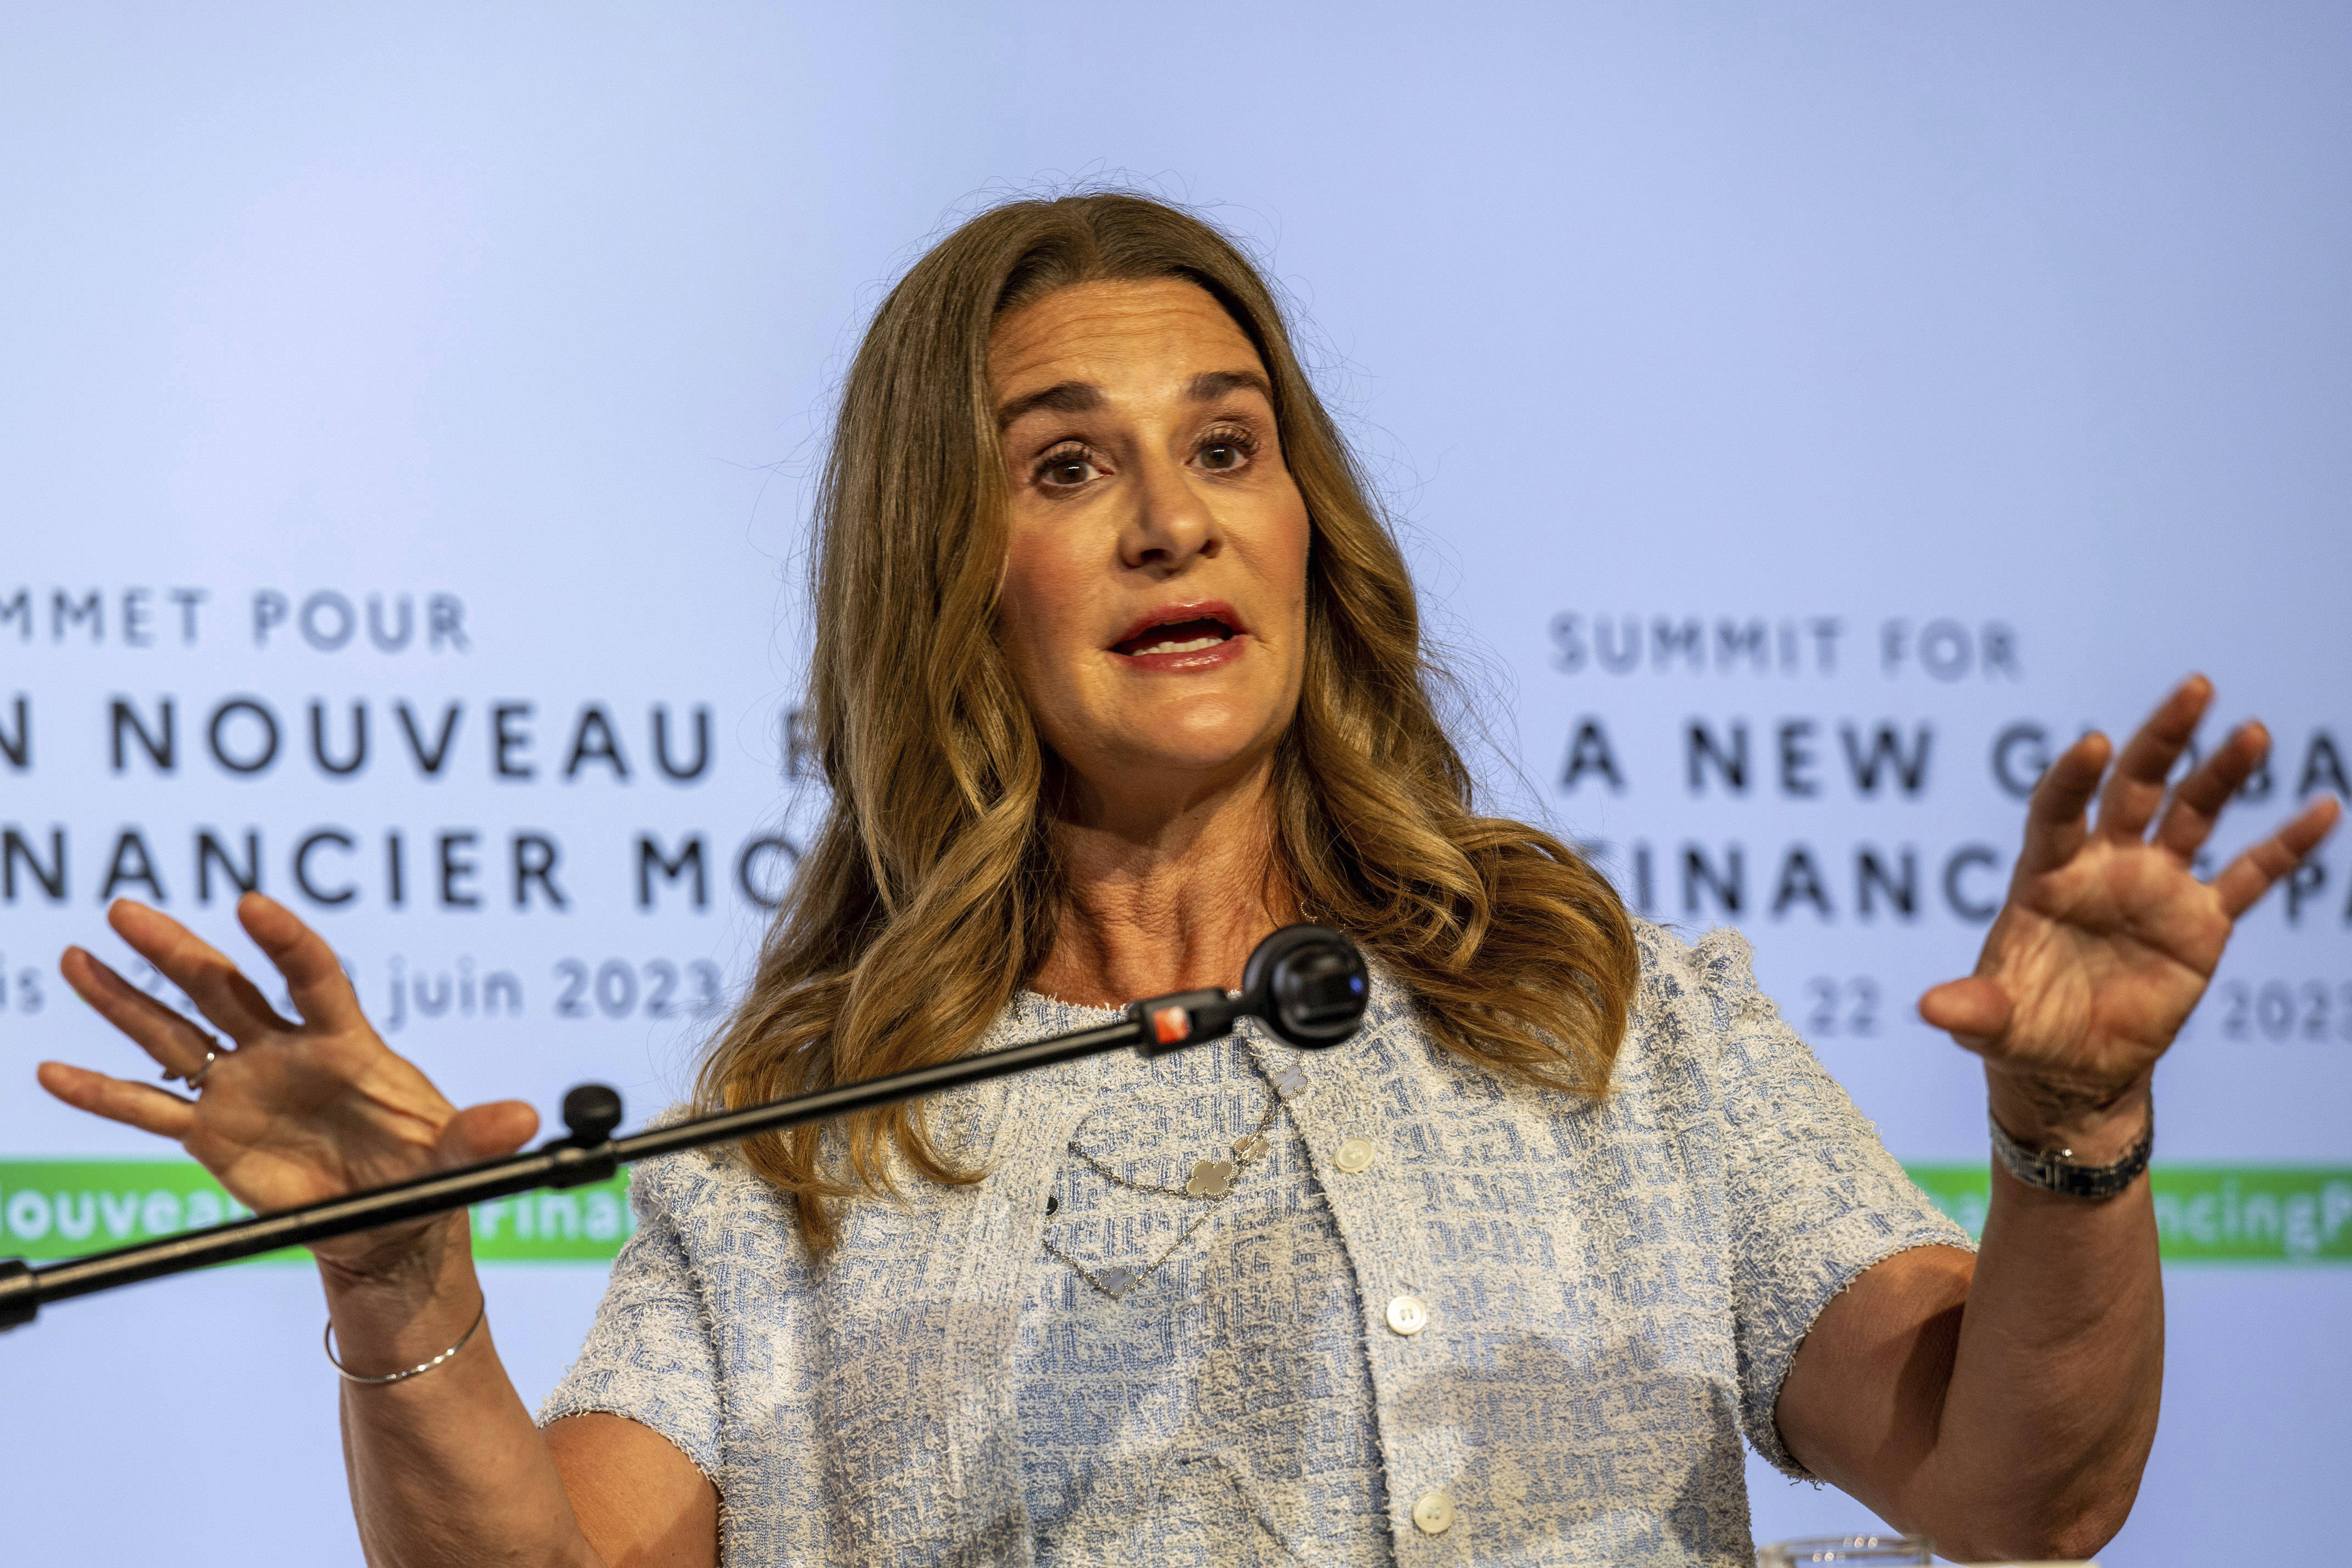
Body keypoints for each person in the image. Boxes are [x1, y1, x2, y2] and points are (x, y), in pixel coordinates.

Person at [38, 193, 2338, 1567]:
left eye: (1228, 445)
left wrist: (2073, 1135)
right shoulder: (812, 1135)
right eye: (1072, 463)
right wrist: (395, 1289)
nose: (1176, 517)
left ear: (1302, 524)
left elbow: (2013, 1486)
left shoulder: (1595, 1004)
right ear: (954, 576)